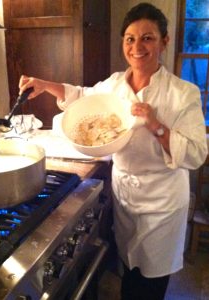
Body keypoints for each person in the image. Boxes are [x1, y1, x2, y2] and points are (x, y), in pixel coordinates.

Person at [19, 3, 208, 299]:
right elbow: (82, 96)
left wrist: (156, 125)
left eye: (148, 38)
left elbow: (197, 153)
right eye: (130, 38)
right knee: (129, 269)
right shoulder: (115, 85)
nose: (137, 46)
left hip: (163, 201)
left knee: (152, 281)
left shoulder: (183, 93)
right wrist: (44, 85)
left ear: (164, 42)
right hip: (125, 193)